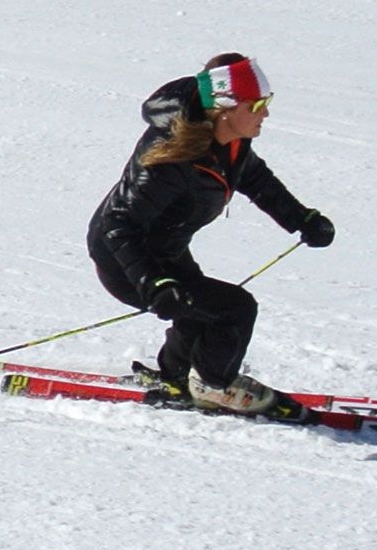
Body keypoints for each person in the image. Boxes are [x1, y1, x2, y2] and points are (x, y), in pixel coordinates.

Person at [87, 54, 335, 414]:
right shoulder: (168, 159)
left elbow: (255, 179)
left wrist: (303, 219)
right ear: (226, 109)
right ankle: (214, 386)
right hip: (125, 258)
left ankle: (176, 376)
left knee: (199, 309)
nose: (266, 113)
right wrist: (153, 283)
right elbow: (118, 225)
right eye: (258, 105)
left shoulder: (228, 142)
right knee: (234, 308)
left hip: (165, 247)